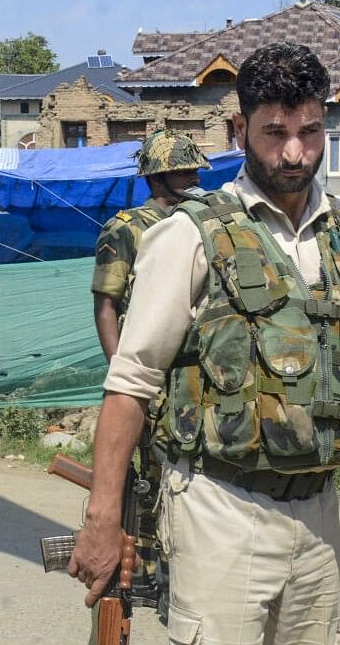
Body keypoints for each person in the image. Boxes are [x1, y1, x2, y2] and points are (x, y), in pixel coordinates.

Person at [69, 42, 340, 643]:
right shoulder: (190, 233)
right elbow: (131, 381)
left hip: (318, 510)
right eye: (274, 131)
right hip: (219, 508)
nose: (293, 152)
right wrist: (102, 516)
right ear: (240, 128)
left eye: (310, 132)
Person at [89, 129, 210, 616]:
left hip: (195, 379)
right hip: (148, 379)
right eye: (186, 170)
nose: (196, 178)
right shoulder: (126, 228)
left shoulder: (203, 222)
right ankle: (143, 578)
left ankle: (184, 579)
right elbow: (106, 304)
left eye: (196, 170)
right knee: (146, 485)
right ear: (160, 175)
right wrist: (126, 377)